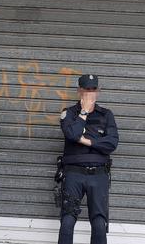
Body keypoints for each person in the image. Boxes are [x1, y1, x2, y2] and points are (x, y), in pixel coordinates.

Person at [58, 74, 119, 244]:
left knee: (99, 223)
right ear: (79, 91)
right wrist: (83, 112)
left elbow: (112, 143)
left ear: (98, 91)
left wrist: (86, 141)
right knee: (68, 221)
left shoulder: (106, 115)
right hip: (73, 174)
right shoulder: (68, 113)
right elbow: (72, 134)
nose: (90, 93)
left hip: (98, 175)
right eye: (87, 90)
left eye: (93, 89)